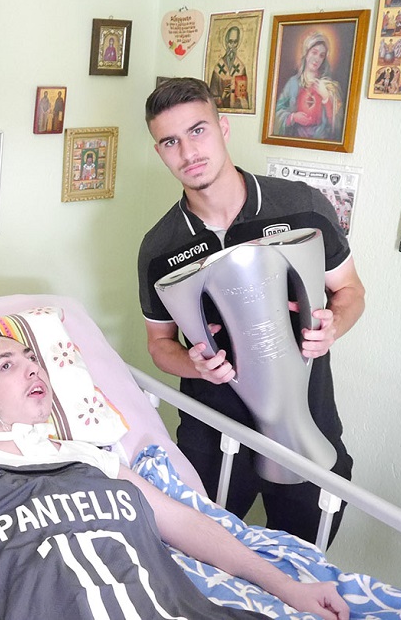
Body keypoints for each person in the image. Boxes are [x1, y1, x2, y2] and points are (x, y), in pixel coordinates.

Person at [0, 334, 350, 620]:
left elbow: (185, 523)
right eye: (7, 365)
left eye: (31, 358)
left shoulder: (90, 457)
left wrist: (288, 586)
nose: (33, 368)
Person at [136, 77, 365, 546]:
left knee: (302, 566)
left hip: (307, 422)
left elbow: (350, 290)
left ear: (223, 128)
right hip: (211, 436)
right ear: (159, 152)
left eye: (198, 131)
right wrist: (195, 365)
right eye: (171, 142)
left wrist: (334, 325)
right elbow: (159, 345)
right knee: (201, 564)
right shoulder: (159, 247)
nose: (188, 152)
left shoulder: (300, 205)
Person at [273, 31, 345, 142]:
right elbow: (276, 113)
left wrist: (326, 97)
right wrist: (293, 117)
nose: (317, 59)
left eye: (321, 55)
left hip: (321, 142)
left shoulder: (330, 86)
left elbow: (338, 124)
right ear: (306, 53)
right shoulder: (293, 83)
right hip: (294, 142)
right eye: (314, 52)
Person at [208, 25, 249, 110]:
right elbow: (210, 99)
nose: (232, 46)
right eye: (230, 42)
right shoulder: (218, 68)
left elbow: (244, 99)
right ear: (226, 42)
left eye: (235, 42)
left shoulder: (241, 67)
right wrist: (222, 97)